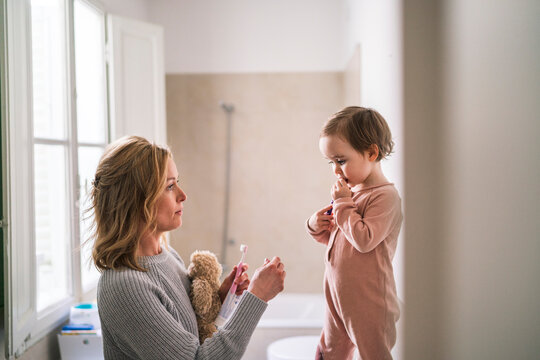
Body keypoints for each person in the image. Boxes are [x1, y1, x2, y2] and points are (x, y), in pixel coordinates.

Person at [89, 135, 286, 360]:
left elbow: (187, 336)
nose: (183, 195)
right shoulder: (124, 286)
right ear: (136, 200)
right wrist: (256, 297)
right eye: (170, 186)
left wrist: (220, 300)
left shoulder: (167, 256)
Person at [306, 107, 403, 360]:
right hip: (337, 295)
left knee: (373, 354)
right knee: (329, 352)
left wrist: (342, 204)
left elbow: (363, 239)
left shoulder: (385, 197)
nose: (336, 170)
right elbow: (339, 238)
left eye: (341, 160)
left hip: (369, 301)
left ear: (371, 153)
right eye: (331, 163)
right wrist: (316, 225)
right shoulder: (350, 196)